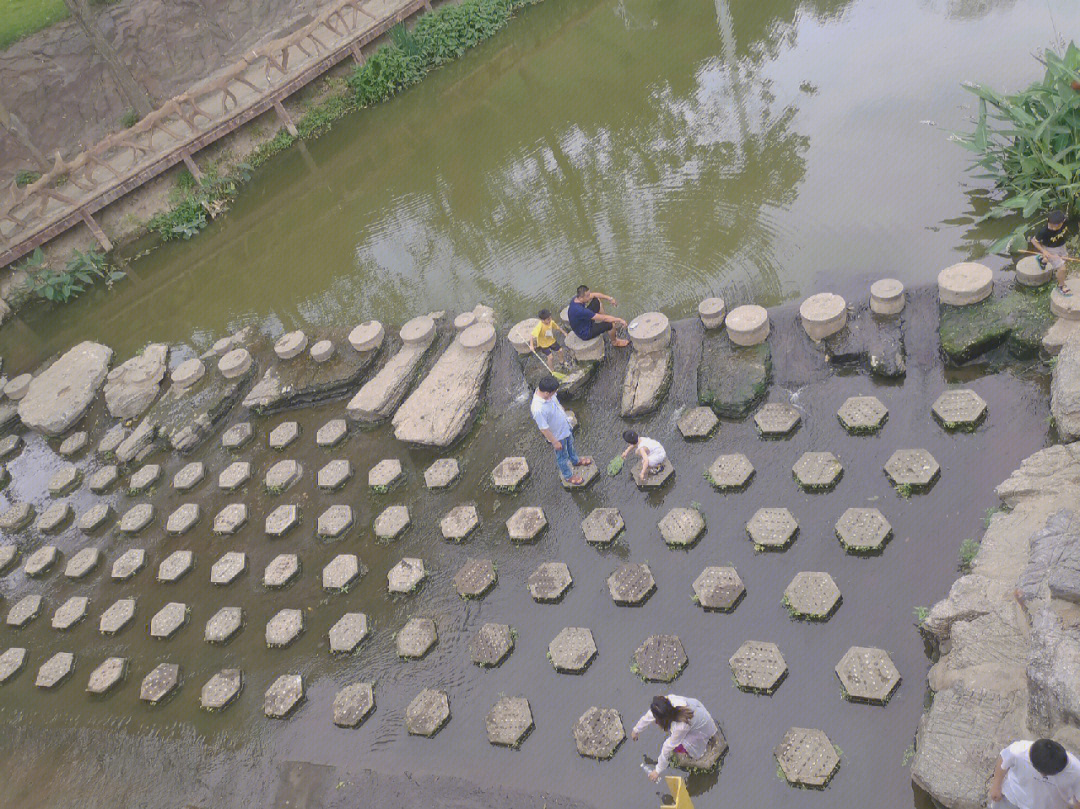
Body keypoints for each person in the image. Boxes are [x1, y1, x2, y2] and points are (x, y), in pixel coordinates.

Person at [632, 695, 719, 782]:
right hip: (697, 710)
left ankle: (696, 750)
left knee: (678, 747)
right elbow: (650, 715)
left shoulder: (681, 726)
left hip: (702, 728)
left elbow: (667, 747)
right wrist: (636, 730)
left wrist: (657, 770)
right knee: (676, 739)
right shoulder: (668, 703)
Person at [530, 375, 592, 485]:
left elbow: (557, 404)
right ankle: (568, 476)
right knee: (562, 457)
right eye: (554, 392)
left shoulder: (549, 395)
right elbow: (543, 428)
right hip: (558, 435)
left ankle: (575, 460)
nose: (555, 394)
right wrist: (555, 442)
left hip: (565, 427)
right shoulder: (538, 409)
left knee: (571, 446)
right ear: (546, 393)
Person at [988, 738, 1080, 809]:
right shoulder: (1019, 750)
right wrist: (996, 786)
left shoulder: (1076, 772)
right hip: (1012, 799)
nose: (1043, 776)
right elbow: (1004, 759)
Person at [1031, 210, 1072, 292]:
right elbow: (1033, 241)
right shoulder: (1044, 231)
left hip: (1061, 246)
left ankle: (1042, 260)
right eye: (1051, 225)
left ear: (1063, 221)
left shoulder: (1066, 221)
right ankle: (1061, 286)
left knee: (1065, 260)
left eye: (1056, 226)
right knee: (1062, 268)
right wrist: (1044, 251)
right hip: (1050, 249)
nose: (1053, 228)